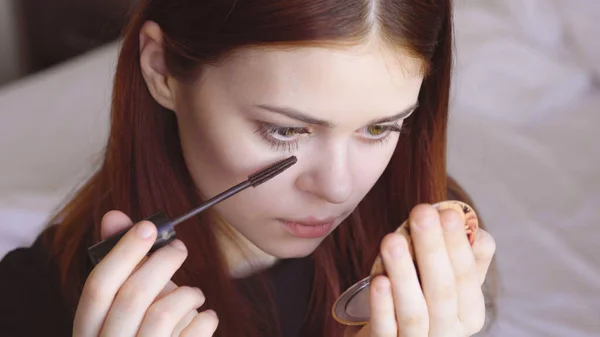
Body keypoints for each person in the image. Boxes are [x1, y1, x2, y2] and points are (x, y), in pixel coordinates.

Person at [0, 0, 497, 336]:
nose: (339, 188)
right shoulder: (31, 300)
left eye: (380, 128)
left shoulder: (427, 242)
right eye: (285, 130)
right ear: (162, 70)